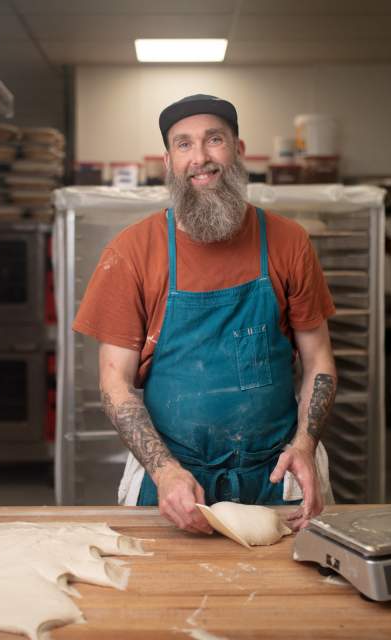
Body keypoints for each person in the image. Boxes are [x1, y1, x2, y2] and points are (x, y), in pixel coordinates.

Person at [73, 94, 337, 534]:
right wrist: (164, 471)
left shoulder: (288, 242)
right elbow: (114, 382)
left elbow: (319, 360)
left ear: (238, 150)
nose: (200, 158)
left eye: (214, 140)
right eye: (183, 144)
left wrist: (306, 445)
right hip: (174, 478)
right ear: (168, 160)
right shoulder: (133, 251)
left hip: (281, 471)